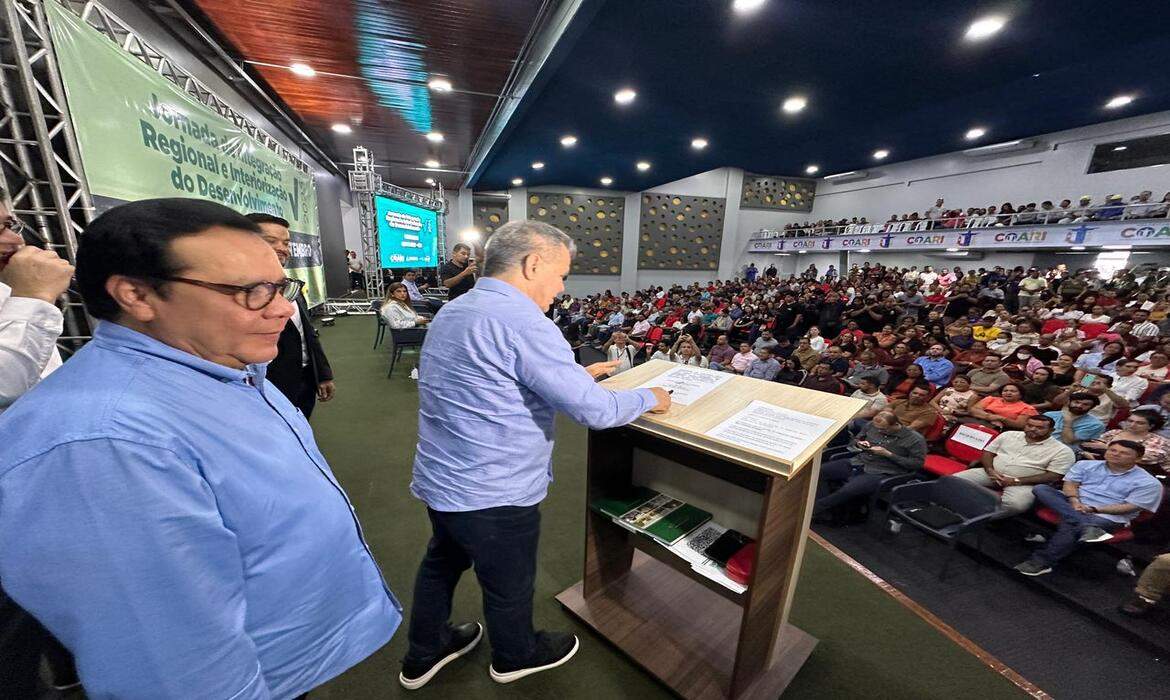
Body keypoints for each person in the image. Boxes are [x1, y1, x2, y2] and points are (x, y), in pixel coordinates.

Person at [0, 198, 402, 698]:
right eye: (250, 292)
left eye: (280, 287)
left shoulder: (227, 368)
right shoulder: (106, 443)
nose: (281, 308)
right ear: (136, 295)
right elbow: (174, 667)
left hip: (281, 657)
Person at [404, 221, 670, 688]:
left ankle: (424, 651)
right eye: (561, 275)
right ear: (532, 264)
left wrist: (576, 376)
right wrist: (652, 397)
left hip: (444, 477)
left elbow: (491, 381)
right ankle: (515, 655)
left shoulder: (455, 309)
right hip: (494, 489)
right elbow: (595, 412)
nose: (562, 288)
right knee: (509, 581)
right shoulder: (526, 322)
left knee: (441, 563)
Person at [0, 194, 79, 696]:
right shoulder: (27, 298)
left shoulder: (12, 295)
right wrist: (34, 300)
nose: (14, 239)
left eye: (11, 223)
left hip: (36, 495)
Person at [1015, 441, 1163, 576]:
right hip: (1074, 503)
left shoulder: (1149, 483)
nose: (1116, 454)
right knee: (1042, 489)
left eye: (1124, 453)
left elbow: (1130, 507)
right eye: (1112, 450)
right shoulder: (1085, 464)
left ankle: (1041, 561)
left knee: (1072, 525)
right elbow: (1070, 484)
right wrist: (1074, 501)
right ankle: (1087, 527)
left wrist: (1094, 509)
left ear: (1138, 458)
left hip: (1107, 515)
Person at [247, 213, 335, 418]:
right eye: (270, 241)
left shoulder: (291, 285)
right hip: (269, 388)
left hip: (305, 380)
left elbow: (307, 333)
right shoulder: (235, 293)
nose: (282, 248)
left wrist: (322, 374)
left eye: (286, 243)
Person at [953, 415, 1074, 516]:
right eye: (1029, 425)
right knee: (954, 480)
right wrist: (990, 470)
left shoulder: (1062, 451)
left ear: (1052, 430)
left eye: (1039, 427)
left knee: (1016, 505)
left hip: (1025, 483)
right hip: (992, 473)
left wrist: (1016, 480)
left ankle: (977, 518)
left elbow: (1054, 475)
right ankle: (954, 509)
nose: (1033, 429)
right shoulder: (1008, 435)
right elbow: (988, 452)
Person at [814, 411, 927, 517]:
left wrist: (888, 454)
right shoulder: (871, 425)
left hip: (884, 471)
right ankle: (825, 508)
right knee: (819, 472)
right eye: (877, 429)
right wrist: (859, 444)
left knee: (848, 490)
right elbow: (855, 440)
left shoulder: (915, 439)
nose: (880, 431)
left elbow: (916, 464)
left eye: (883, 429)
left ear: (896, 424)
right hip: (859, 461)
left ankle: (815, 509)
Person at [1080, 409, 1170, 474]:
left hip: (1143, 472)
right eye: (1130, 421)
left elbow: (1145, 458)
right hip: (1104, 465)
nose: (1132, 425)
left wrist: (1107, 448)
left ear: (1151, 426)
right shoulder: (1114, 432)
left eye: (1140, 423)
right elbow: (1093, 445)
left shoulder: (1159, 441)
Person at [967, 383, 1038, 430]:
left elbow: (1019, 425)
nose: (1008, 393)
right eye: (1005, 391)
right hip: (980, 423)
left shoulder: (1027, 408)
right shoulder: (991, 399)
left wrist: (1001, 419)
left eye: (1013, 391)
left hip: (1004, 430)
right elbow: (974, 410)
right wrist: (990, 417)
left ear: (1020, 395)